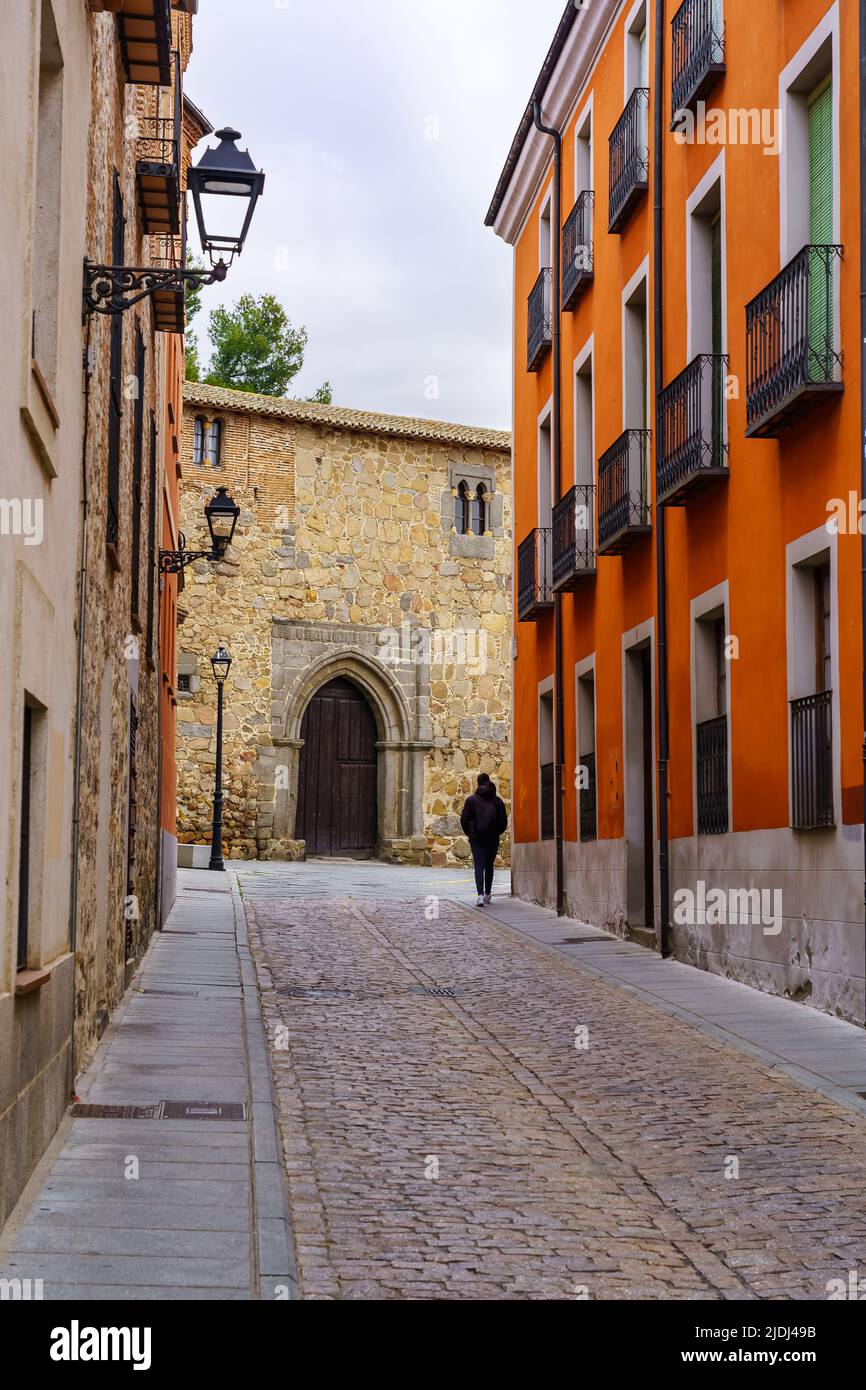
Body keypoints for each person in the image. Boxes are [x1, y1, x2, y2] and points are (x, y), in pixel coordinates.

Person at [460, 772, 508, 907]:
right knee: (489, 866)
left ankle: (480, 895)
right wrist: (496, 833)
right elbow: (503, 822)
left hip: (477, 839)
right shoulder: (498, 801)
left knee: (479, 866)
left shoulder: (471, 800)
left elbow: (464, 820)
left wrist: (471, 833)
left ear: (478, 783)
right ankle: (488, 894)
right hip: (492, 838)